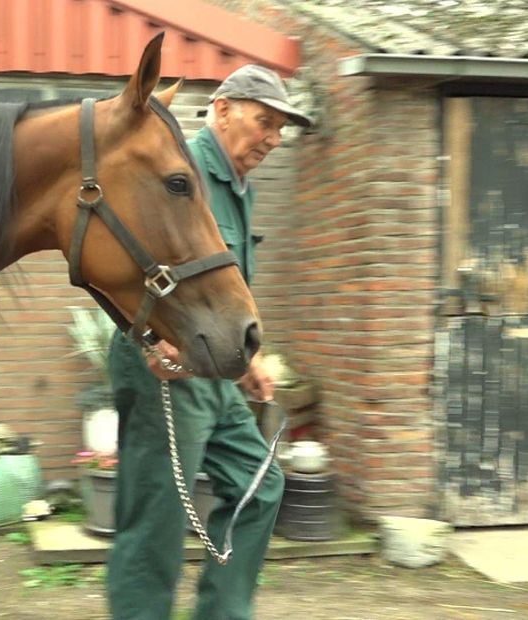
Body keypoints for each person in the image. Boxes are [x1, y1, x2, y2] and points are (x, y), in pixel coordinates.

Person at [106, 64, 312, 620]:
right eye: (264, 122)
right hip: (164, 372)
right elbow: (121, 261)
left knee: (260, 488)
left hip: (214, 373)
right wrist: (152, 339)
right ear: (221, 108)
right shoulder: (181, 168)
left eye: (279, 129)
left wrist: (249, 358)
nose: (273, 138)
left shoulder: (236, 183)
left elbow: (222, 286)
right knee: (156, 525)